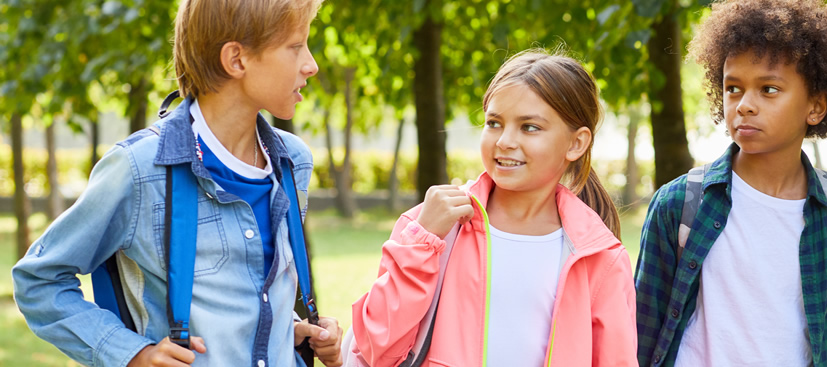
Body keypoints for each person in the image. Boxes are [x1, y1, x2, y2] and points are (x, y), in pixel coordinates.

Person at [11, 0, 343, 365]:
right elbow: (39, 279)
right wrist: (132, 354)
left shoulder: (293, 162)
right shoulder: (139, 169)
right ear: (236, 59)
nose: (311, 65)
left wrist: (289, 329)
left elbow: (250, 290)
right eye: (295, 47)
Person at [349, 49, 637, 367]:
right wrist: (422, 241)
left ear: (576, 143)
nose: (504, 141)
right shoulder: (429, 226)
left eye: (529, 127)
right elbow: (377, 348)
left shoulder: (601, 257)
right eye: (494, 123)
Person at [634, 0, 827, 366]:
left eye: (768, 89)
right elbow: (640, 333)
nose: (745, 105)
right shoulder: (679, 203)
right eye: (733, 88)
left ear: (816, 106)